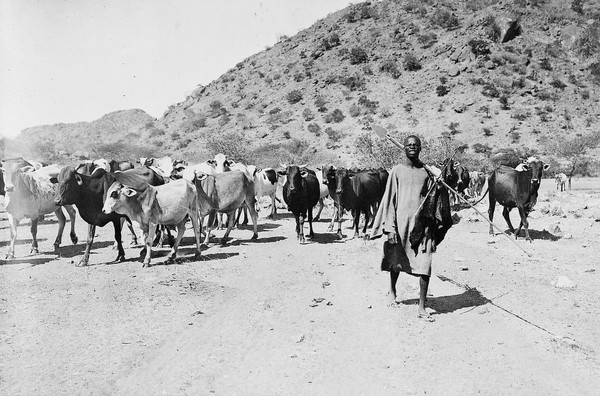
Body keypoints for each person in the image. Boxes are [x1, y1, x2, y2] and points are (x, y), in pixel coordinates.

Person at [371, 135, 452, 321]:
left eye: (416, 145)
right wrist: (390, 228)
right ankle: (392, 289)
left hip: (422, 225)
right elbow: (389, 200)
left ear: (421, 148)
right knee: (396, 259)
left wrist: (440, 184)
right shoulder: (397, 171)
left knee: (425, 263)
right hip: (400, 225)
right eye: (409, 145)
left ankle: (422, 306)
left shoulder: (427, 172)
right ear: (404, 149)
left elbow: (435, 198)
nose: (412, 147)